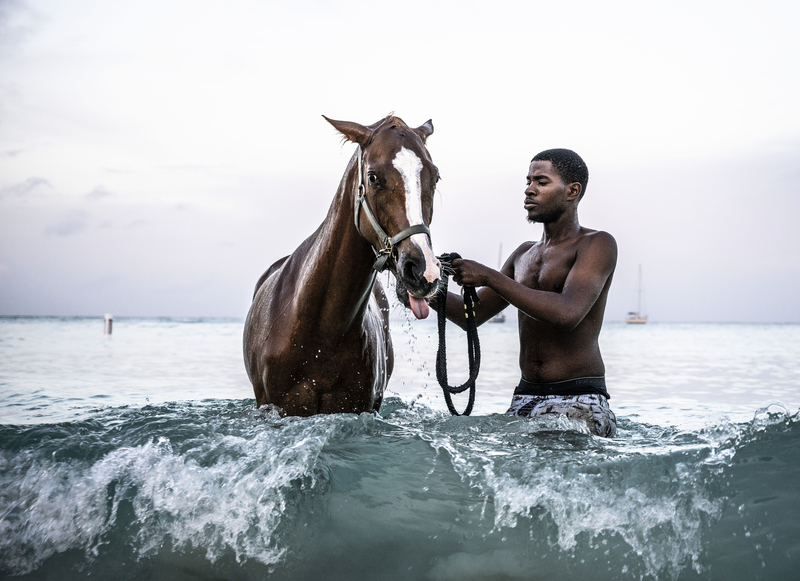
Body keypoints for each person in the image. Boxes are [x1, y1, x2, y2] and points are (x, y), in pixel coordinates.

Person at [437, 148, 618, 437]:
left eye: (541, 182)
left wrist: (488, 276)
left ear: (572, 191)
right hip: (523, 398)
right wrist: (426, 288)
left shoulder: (597, 244)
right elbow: (473, 314)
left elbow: (568, 313)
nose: (529, 190)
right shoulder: (523, 254)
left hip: (578, 398)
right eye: (528, 181)